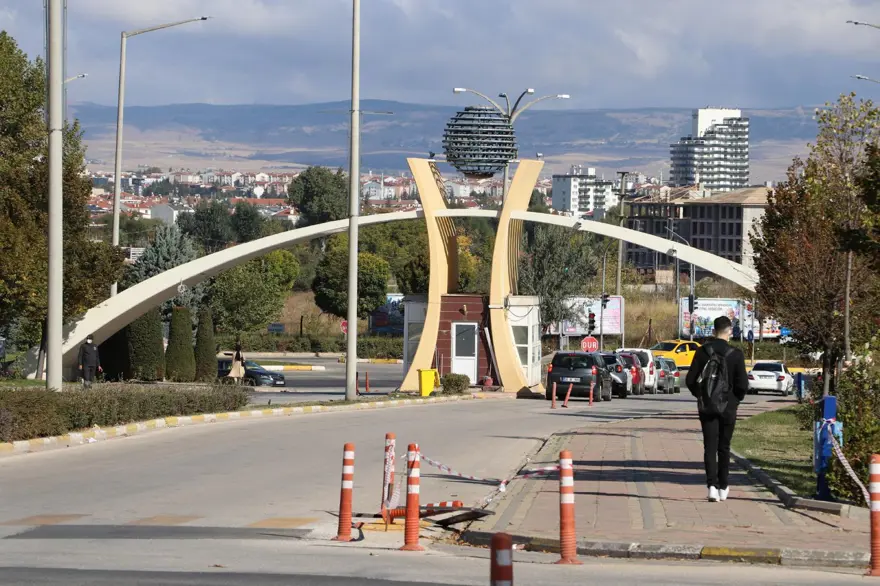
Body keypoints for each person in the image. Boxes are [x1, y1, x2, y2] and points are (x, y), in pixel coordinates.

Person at [686, 316, 748, 502]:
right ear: (730, 331)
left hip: (707, 406)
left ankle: (711, 486)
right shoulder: (736, 354)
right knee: (724, 447)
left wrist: (701, 395)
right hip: (728, 407)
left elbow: (690, 380)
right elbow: (742, 385)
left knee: (709, 447)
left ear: (713, 331)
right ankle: (723, 486)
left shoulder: (702, 351)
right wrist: (734, 401)